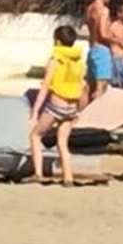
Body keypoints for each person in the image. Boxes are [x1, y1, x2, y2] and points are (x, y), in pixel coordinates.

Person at [27, 23, 88, 187]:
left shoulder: (55, 60)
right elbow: (83, 87)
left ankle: (38, 173)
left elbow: (45, 87)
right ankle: (68, 178)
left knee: (35, 135)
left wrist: (35, 111)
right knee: (62, 142)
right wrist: (80, 111)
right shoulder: (79, 61)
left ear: (58, 42)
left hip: (56, 106)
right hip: (72, 107)